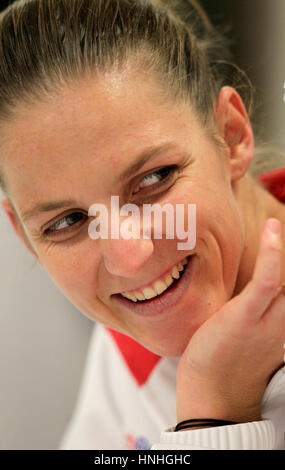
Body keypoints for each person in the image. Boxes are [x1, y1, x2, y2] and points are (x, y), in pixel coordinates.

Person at [0, 0, 284, 450]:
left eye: (154, 179)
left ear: (232, 135)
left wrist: (212, 416)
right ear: (25, 237)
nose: (129, 260)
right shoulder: (125, 343)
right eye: (69, 221)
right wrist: (212, 408)